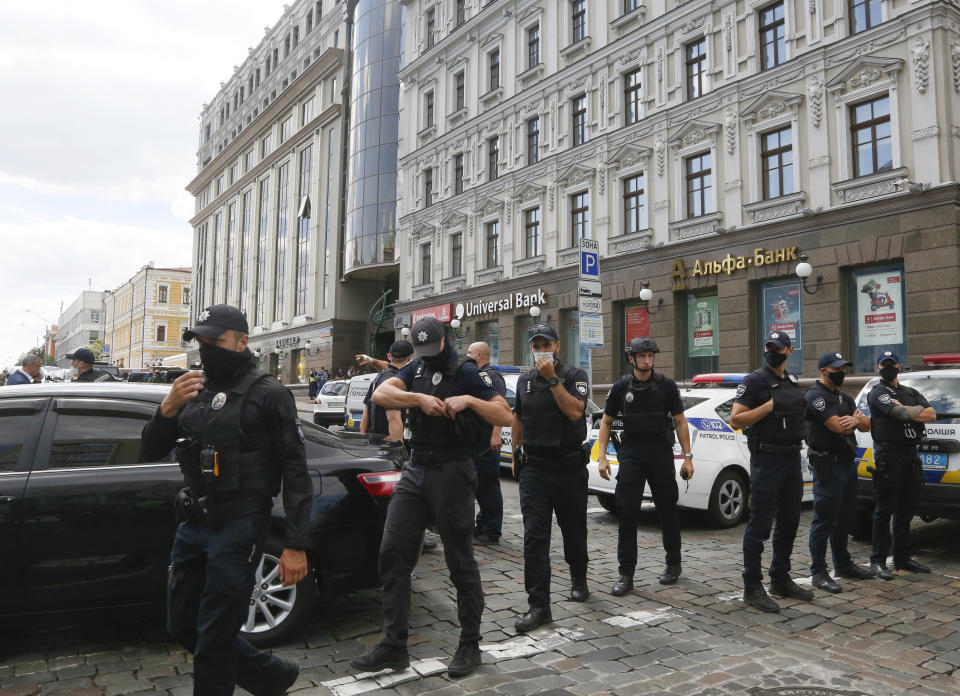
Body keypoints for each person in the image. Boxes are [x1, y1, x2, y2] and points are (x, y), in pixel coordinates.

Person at [140, 304, 312, 696]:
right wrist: (167, 408)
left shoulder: (269, 393)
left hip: (240, 524)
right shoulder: (192, 389)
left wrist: (297, 545)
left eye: (215, 341)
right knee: (182, 625)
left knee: (215, 636)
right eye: (201, 342)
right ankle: (269, 676)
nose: (207, 349)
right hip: (195, 522)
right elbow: (150, 449)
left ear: (242, 341)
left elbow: (296, 471)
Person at [351, 317, 512, 679]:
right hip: (416, 468)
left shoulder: (468, 371)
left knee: (460, 560)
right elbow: (380, 394)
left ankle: (470, 642)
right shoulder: (417, 368)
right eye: (420, 350)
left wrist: (469, 400)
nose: (426, 356)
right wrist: (418, 398)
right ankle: (394, 645)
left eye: (432, 348)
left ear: (447, 341)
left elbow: (505, 413)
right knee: (392, 553)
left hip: (453, 470)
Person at [596, 337, 693, 596]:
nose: (648, 360)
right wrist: (603, 456)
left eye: (651, 355)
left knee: (667, 510)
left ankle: (673, 563)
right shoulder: (620, 388)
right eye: (642, 356)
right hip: (632, 454)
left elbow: (680, 421)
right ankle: (626, 573)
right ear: (632, 358)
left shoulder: (666, 386)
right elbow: (606, 422)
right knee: (627, 512)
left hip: (660, 452)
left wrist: (688, 456)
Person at [512, 324, 591, 633]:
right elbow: (518, 416)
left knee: (574, 529)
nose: (541, 349)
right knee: (534, 537)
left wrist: (553, 380)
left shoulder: (574, 376)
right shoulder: (524, 380)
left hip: (568, 467)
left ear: (557, 346)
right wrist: (515, 451)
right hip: (535, 467)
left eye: (546, 344)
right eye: (536, 344)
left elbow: (574, 412)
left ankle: (578, 578)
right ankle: (539, 605)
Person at [730, 331, 813, 613]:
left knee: (790, 521)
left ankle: (780, 577)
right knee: (760, 524)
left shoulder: (791, 381)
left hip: (791, 459)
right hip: (767, 459)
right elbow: (736, 420)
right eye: (768, 347)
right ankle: (752, 586)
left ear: (789, 351)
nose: (772, 351)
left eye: (777, 348)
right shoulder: (753, 381)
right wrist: (769, 406)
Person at [804, 351, 875, 593]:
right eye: (837, 368)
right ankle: (818, 571)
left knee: (845, 518)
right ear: (823, 371)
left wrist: (856, 422)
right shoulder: (815, 396)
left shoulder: (845, 398)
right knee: (825, 520)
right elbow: (836, 426)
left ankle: (843, 564)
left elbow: (865, 424)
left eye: (844, 368)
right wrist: (853, 422)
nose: (842, 372)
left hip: (847, 463)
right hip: (827, 465)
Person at [866, 351, 937, 579]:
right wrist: (912, 412)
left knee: (907, 509)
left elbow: (932, 414)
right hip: (889, 455)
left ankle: (902, 558)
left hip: (910, 454)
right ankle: (877, 560)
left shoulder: (910, 391)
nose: (888, 368)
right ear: (878, 368)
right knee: (884, 510)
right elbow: (896, 412)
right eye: (884, 365)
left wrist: (909, 412)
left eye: (892, 364)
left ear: (898, 366)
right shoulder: (877, 393)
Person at [465, 341, 506, 546]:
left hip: (486, 437)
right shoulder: (477, 375)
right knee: (479, 485)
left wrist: (496, 434)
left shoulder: (491, 376)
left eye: (469, 353)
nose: (466, 355)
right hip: (476, 437)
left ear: (479, 355)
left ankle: (491, 531)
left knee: (488, 485)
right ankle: (482, 525)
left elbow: (500, 406)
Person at [360, 341, 414, 444]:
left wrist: (364, 440)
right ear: (410, 358)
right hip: (389, 445)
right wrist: (399, 447)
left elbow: (365, 416)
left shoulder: (378, 378)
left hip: (374, 441)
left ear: (389, 356)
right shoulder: (396, 382)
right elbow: (394, 418)